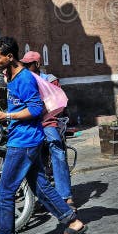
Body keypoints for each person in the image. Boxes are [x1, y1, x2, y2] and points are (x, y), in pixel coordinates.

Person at [0, 37, 86, 234]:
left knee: (5, 192)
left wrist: (8, 115)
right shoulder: (10, 75)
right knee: (40, 186)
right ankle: (73, 222)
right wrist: (9, 116)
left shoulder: (24, 78)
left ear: (9, 57)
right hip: (23, 139)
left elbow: (34, 108)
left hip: (23, 142)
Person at [21, 51, 77, 209]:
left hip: (47, 121)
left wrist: (39, 113)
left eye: (28, 64)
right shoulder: (24, 80)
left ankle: (65, 195)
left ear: (37, 65)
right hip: (29, 122)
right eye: (23, 64)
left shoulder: (50, 80)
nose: (25, 67)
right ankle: (34, 195)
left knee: (57, 151)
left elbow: (57, 104)